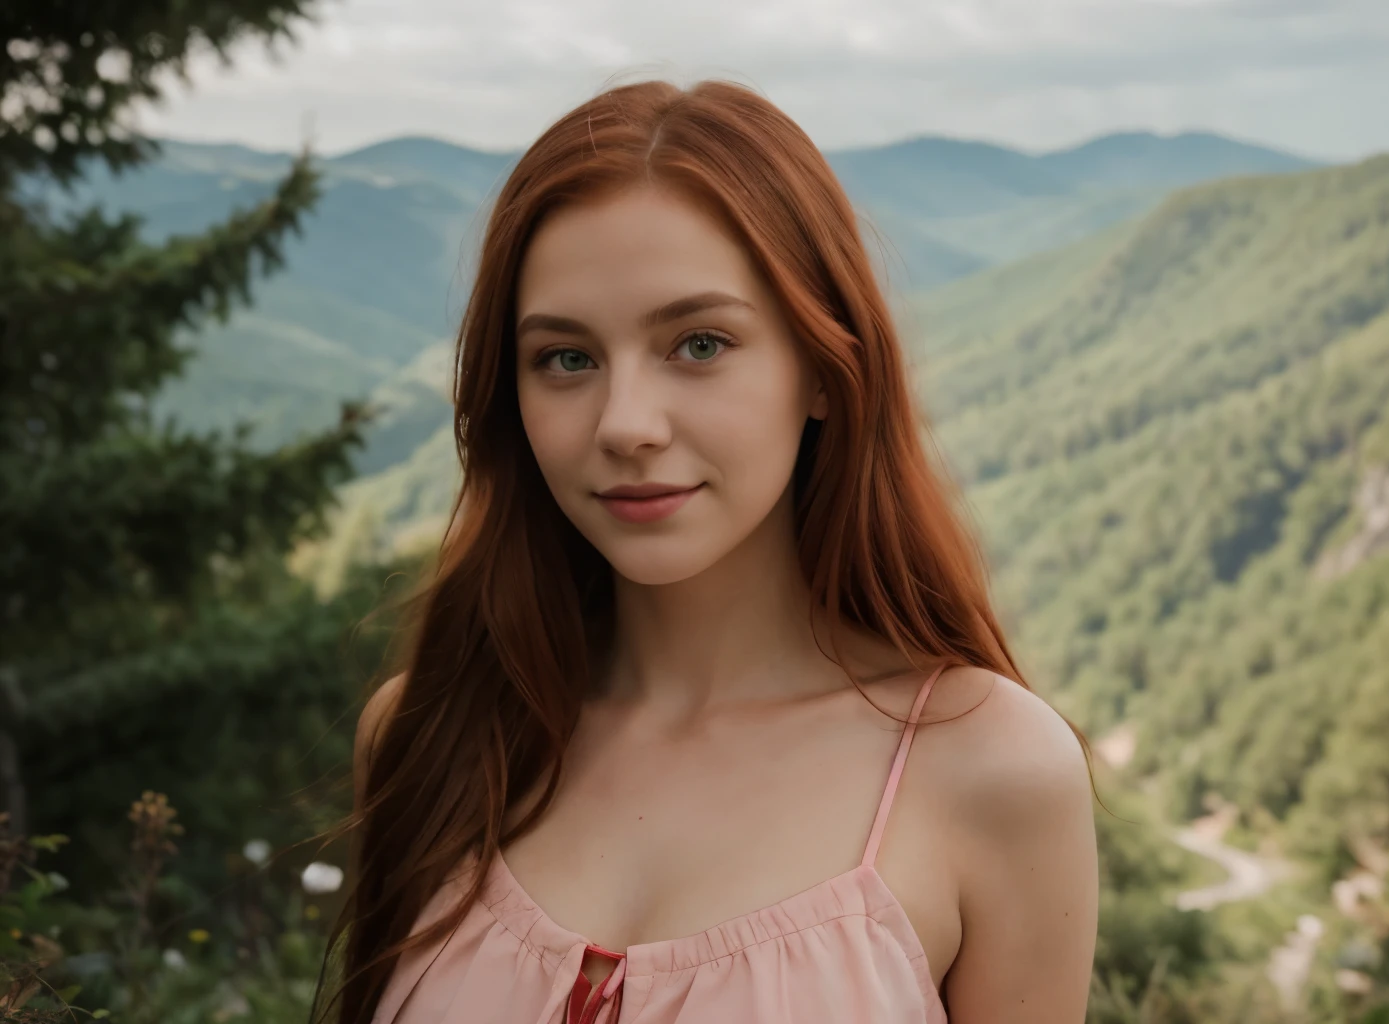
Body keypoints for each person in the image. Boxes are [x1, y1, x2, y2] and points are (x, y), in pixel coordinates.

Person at [320, 77, 1098, 1024]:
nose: (626, 425)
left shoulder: (991, 773)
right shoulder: (429, 737)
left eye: (698, 343)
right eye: (566, 358)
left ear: (822, 367)